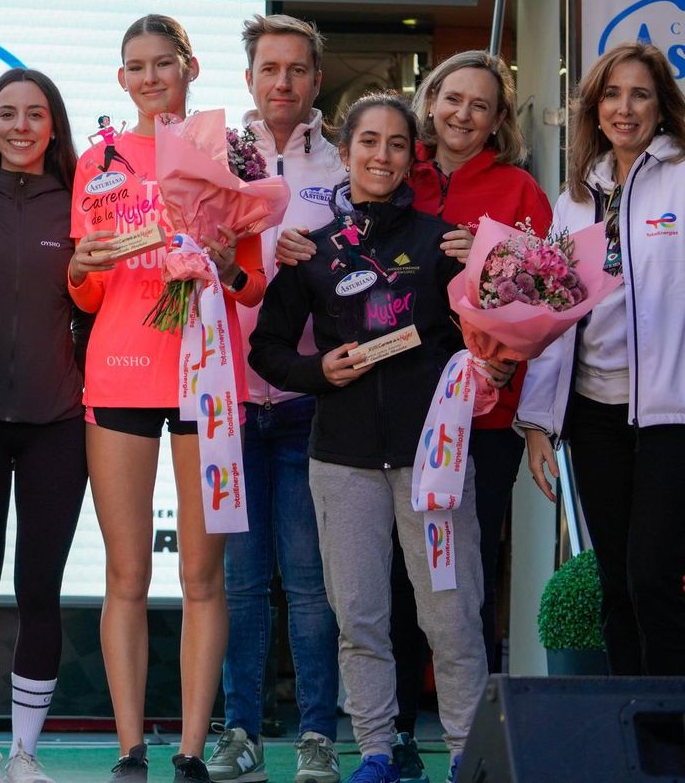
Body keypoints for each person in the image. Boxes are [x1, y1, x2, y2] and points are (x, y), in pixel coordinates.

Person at [249, 94, 484, 783]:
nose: (381, 156)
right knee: (359, 616)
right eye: (368, 142)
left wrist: (486, 265)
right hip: (342, 462)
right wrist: (317, 370)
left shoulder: (443, 244)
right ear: (345, 152)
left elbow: (487, 336)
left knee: (450, 615)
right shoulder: (311, 252)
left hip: (432, 464)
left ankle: (470, 754)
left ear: (416, 155)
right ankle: (377, 751)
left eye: (395, 144)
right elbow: (267, 351)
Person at [67, 15, 264, 783]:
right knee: (126, 575)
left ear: (189, 68)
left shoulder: (227, 158)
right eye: (136, 67)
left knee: (203, 578)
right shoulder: (98, 162)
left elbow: (255, 289)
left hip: (208, 378)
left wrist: (220, 258)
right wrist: (82, 265)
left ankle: (188, 750)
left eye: (164, 64)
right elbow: (83, 294)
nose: (151, 78)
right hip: (119, 374)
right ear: (122, 79)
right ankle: (128, 749)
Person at [382, 52, 551, 779]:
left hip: (481, 418)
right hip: (395, 413)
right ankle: (396, 739)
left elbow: (548, 294)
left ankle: (471, 739)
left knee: (466, 582)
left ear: (498, 120)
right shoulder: (396, 170)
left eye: (480, 105)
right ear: (430, 100)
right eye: (452, 98)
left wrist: (485, 260)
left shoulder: (518, 189)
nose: (462, 114)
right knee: (396, 582)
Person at [517, 42, 685, 677]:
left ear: (662, 107)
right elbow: (553, 322)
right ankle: (634, 732)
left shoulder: (682, 177)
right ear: (594, 108)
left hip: (672, 414)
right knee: (615, 583)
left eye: (640, 94)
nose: (624, 108)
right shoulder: (576, 199)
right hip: (593, 418)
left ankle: (672, 740)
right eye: (612, 95)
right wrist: (538, 422)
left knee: (655, 580)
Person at [210, 15, 343, 783]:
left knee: (310, 585)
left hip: (308, 400)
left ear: (316, 81)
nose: (283, 82)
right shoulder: (218, 154)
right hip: (228, 397)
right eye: (270, 69)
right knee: (240, 584)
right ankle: (239, 732)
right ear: (251, 78)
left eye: (297, 70)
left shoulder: (341, 159)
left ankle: (319, 736)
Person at [0, 69, 87, 783]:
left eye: (36, 114)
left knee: (39, 589)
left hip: (57, 423)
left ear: (54, 125)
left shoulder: (82, 205)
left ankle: (25, 752)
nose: (21, 126)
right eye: (8, 114)